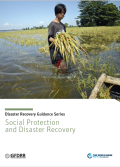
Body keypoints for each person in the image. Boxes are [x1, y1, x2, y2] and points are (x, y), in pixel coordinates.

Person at [48, 4, 67, 70]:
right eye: (61, 12)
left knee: (61, 69)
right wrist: (58, 41)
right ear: (56, 13)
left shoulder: (63, 25)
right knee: (63, 67)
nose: (63, 14)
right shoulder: (52, 24)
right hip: (55, 52)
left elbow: (65, 37)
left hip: (62, 51)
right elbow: (50, 38)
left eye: (64, 13)